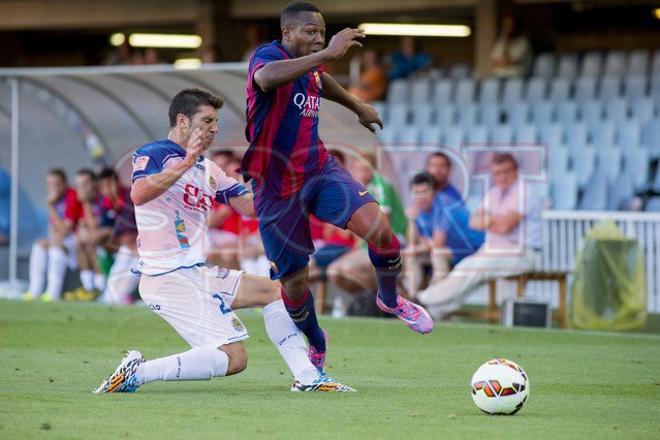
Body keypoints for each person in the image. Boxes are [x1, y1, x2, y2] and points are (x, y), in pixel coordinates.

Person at [95, 88, 353, 394]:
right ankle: (138, 373)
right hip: (166, 276)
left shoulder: (208, 168)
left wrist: (281, 183)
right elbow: (139, 194)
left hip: (196, 273)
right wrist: (187, 161)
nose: (214, 128)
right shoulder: (154, 154)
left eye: (216, 121)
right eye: (207, 120)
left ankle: (307, 378)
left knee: (274, 292)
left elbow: (249, 206)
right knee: (234, 359)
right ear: (182, 121)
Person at [243, 1, 433, 372]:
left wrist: (356, 104)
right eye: (310, 32)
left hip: (318, 169)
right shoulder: (268, 56)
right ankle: (315, 340)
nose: (318, 39)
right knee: (296, 284)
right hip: (276, 186)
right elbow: (265, 79)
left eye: (322, 33)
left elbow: (319, 80)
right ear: (287, 33)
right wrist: (328, 52)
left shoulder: (312, 66)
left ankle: (391, 299)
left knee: (380, 230)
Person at [416, 153, 543, 319]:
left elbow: (505, 226)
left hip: (522, 252)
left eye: (506, 172)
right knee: (466, 269)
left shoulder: (524, 192)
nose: (502, 177)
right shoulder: (494, 192)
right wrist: (495, 220)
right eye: (498, 173)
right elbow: (474, 222)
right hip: (493, 250)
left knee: (474, 268)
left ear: (516, 171)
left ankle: (420, 300)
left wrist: (488, 219)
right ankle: (430, 313)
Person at [326, 152, 407, 296]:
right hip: (367, 244)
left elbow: (382, 227)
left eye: (365, 169)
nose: (360, 173)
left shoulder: (381, 185)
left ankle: (398, 298)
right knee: (333, 272)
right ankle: (377, 302)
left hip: (389, 244)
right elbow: (340, 230)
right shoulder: (356, 188)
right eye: (357, 169)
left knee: (348, 269)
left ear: (373, 169)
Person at [404, 170, 483, 292]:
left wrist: (416, 248)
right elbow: (413, 240)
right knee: (413, 256)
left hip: (474, 249)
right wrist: (411, 220)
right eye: (417, 193)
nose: (421, 197)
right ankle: (412, 300)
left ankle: (432, 303)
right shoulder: (418, 208)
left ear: (434, 192)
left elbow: (437, 243)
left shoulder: (444, 204)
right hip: (450, 250)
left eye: (425, 192)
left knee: (437, 254)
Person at [23, 169, 82, 302]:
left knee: (56, 250)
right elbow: (55, 230)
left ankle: (52, 293)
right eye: (50, 184)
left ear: (65, 183)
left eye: (57, 184)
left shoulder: (72, 195)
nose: (53, 188)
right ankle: (34, 290)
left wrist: (50, 206)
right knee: (39, 246)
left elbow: (66, 229)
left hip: (76, 243)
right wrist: (52, 240)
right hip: (62, 240)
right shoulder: (56, 199)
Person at [65, 169, 110, 301]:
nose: (82, 188)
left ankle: (100, 288)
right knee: (80, 242)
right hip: (93, 241)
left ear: (94, 183)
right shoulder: (81, 201)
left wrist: (85, 203)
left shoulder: (103, 199)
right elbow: (80, 226)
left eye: (85, 184)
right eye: (78, 185)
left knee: (91, 242)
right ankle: (89, 288)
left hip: (113, 242)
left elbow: (94, 226)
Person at [97, 167, 140, 305]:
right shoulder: (107, 203)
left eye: (109, 184)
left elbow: (129, 232)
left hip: (144, 247)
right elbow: (104, 228)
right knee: (116, 271)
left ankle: (119, 298)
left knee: (129, 276)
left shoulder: (129, 197)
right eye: (103, 187)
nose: (107, 190)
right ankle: (108, 298)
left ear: (117, 182)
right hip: (127, 247)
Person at [490, 13, 532, 78]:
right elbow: (494, 60)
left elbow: (510, 61)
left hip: (518, 77)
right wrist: (505, 40)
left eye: (510, 25)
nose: (507, 28)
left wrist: (503, 62)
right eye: (506, 25)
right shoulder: (501, 41)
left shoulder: (523, 42)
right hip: (501, 76)